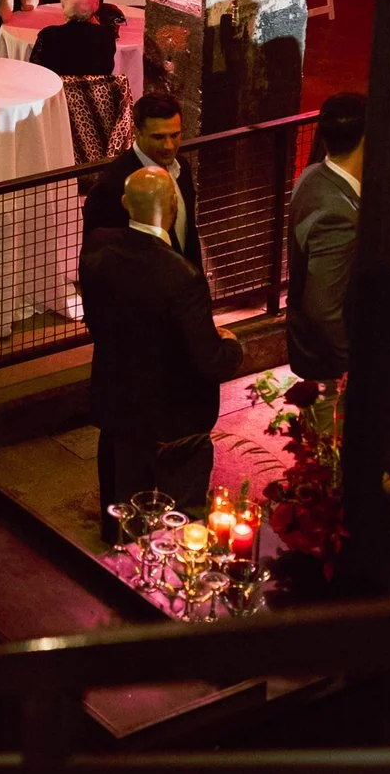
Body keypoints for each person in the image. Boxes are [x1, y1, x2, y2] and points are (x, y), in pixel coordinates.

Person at [81, 164, 243, 525]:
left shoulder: (98, 248)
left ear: (125, 202)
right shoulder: (182, 277)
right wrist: (232, 345)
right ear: (173, 206)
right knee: (180, 517)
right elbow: (210, 359)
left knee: (130, 509)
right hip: (175, 419)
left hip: (121, 405)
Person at [286, 92, 364, 383]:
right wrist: (351, 365)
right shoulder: (338, 212)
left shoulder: (311, 174)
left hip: (309, 352)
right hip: (330, 367)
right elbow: (323, 309)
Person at [82, 91, 201, 268]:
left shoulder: (182, 168)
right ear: (137, 132)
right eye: (158, 137)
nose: (168, 146)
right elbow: (98, 259)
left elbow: (189, 234)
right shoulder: (111, 186)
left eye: (175, 135)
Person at [30, 0, 119, 79]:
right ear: (94, 7)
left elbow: (36, 71)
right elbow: (107, 69)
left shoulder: (48, 35)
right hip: (95, 93)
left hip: (58, 92)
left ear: (64, 6)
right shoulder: (107, 35)